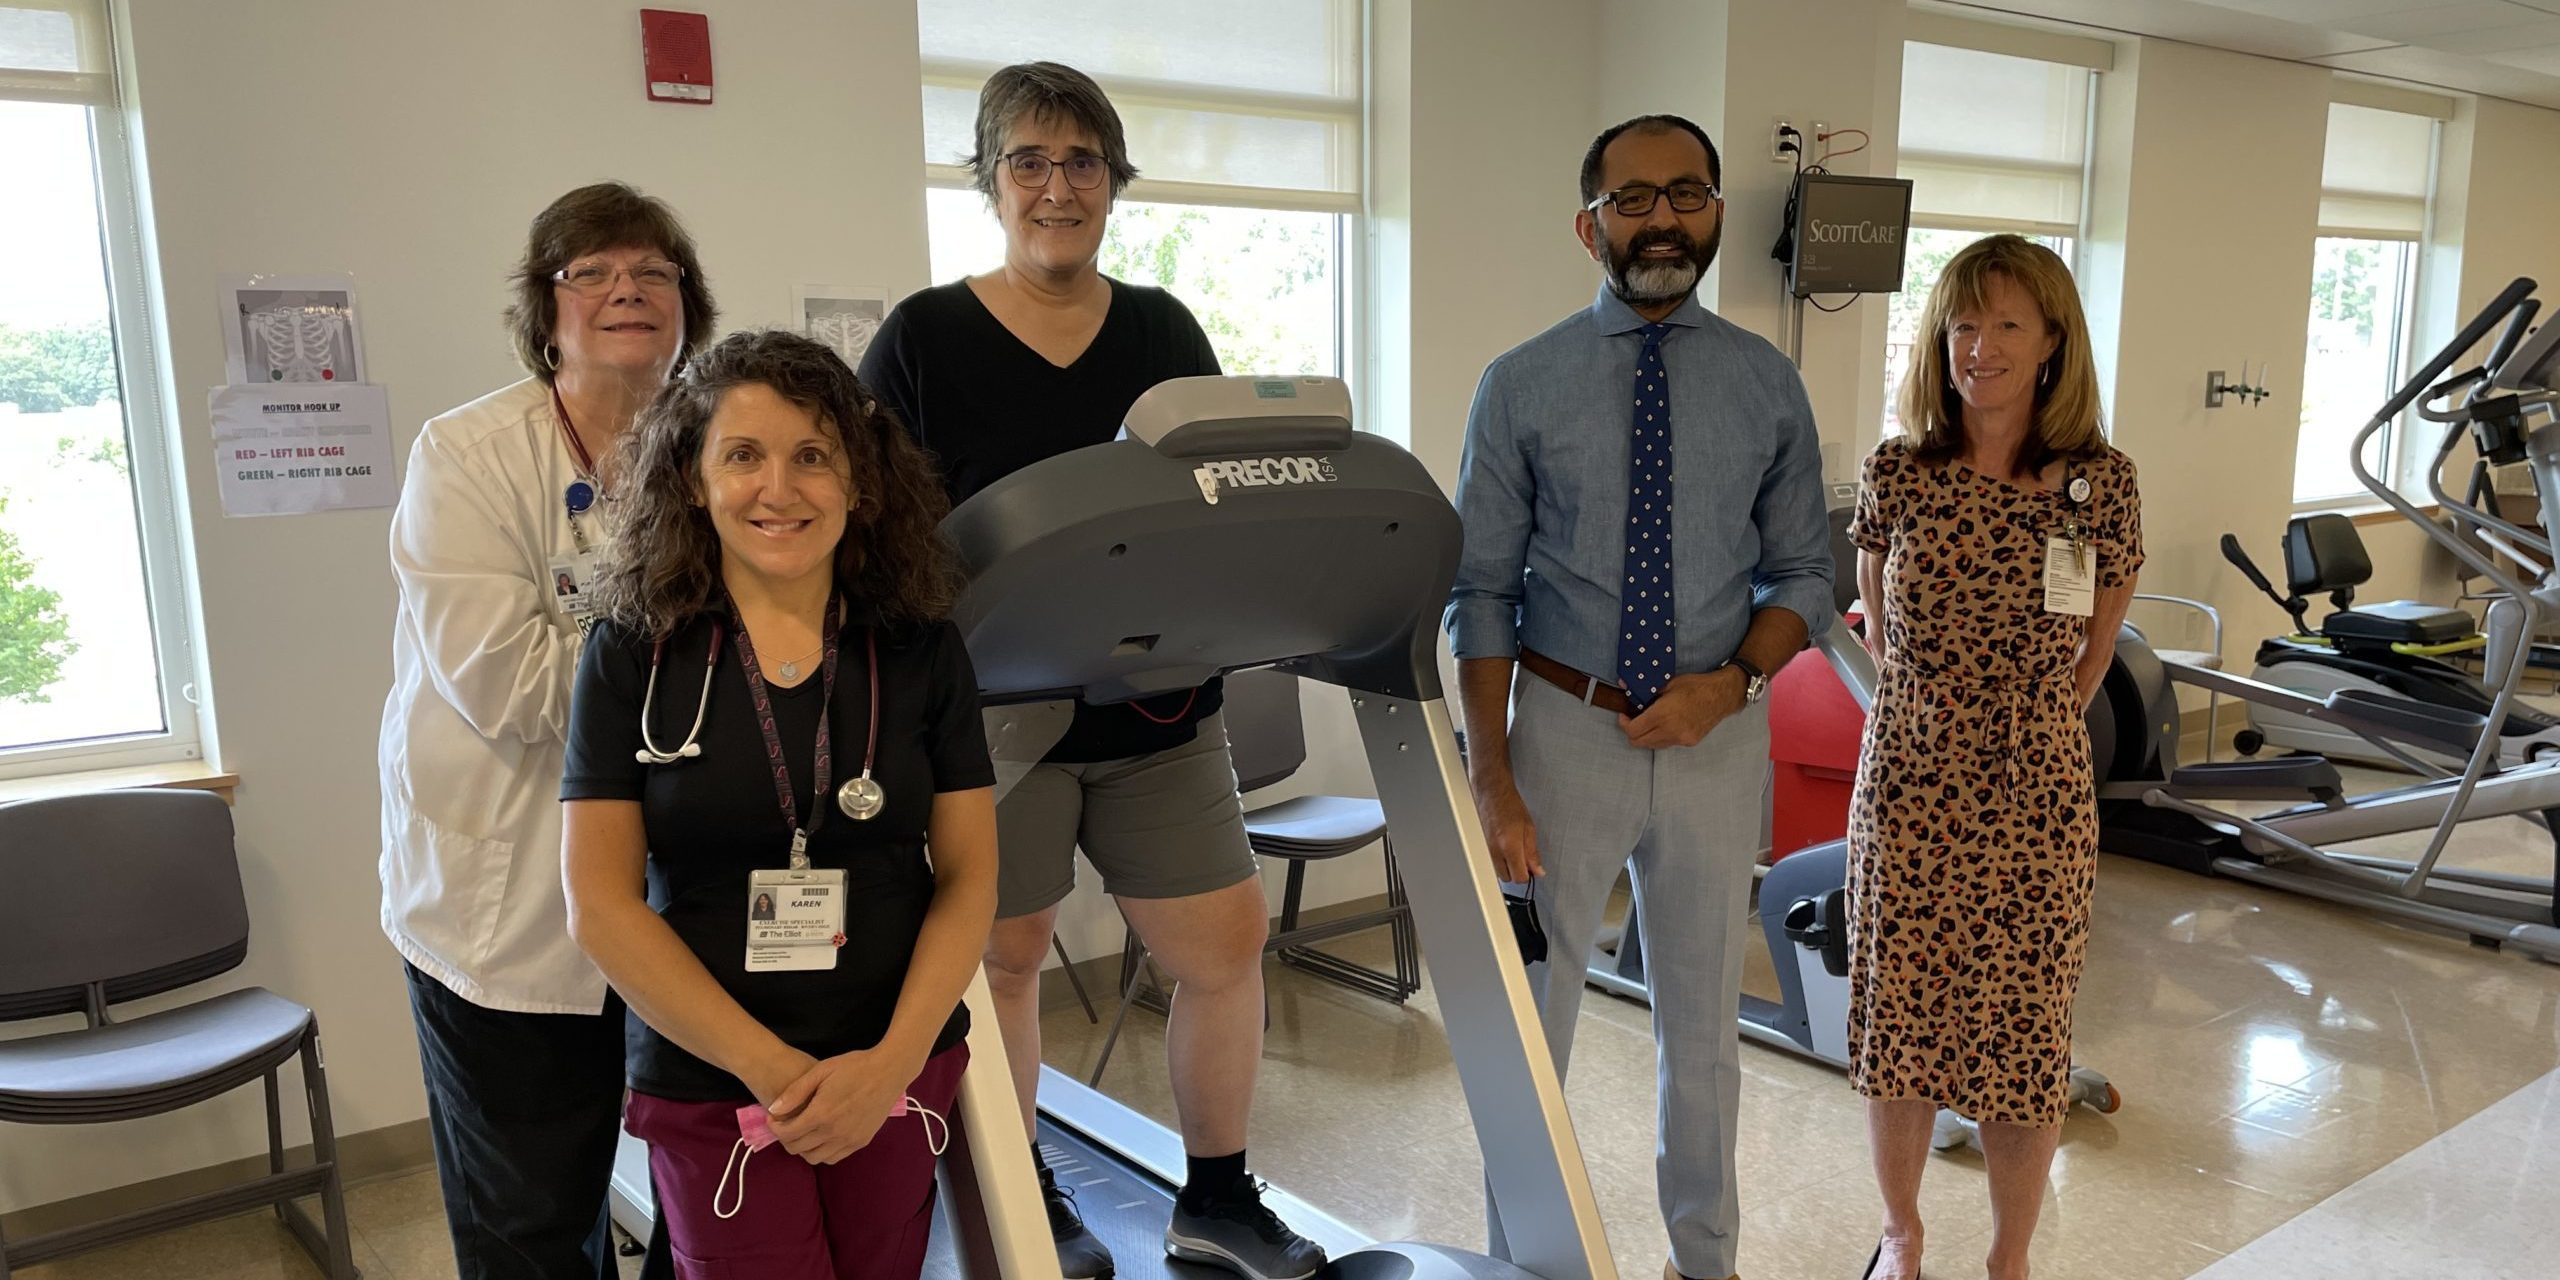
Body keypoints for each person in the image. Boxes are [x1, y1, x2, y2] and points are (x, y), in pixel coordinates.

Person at [858, 60, 1326, 1280]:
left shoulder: (1165, 329)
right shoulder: (922, 336)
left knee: (1223, 948)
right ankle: (1033, 1201)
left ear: (1113, 183)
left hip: (1156, 716)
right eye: (1028, 160)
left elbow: (1211, 498)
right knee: (1005, 963)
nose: (1056, 187)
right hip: (990, 725)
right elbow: (878, 532)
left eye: (1081, 163)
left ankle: (1216, 1197)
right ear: (988, 179)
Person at [1446, 114, 1833, 1280]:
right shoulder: (1519, 384)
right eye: (1632, 200)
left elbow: (1806, 571)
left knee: (1703, 1024)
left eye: (1686, 193)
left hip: (1719, 739)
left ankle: (1703, 1259)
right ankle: (1519, 1259)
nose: (1661, 218)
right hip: (1565, 733)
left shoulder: (1768, 383)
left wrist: (1731, 684)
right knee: (1535, 1017)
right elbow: (1480, 588)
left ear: (1717, 210)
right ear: (1589, 225)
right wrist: (1492, 774)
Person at [562, 329, 999, 1280]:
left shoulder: (919, 644)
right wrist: (776, 1074)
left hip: (894, 1067)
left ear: (861, 480)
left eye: (813, 456)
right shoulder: (634, 652)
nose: (779, 489)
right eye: (743, 456)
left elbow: (970, 876)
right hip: (716, 1083)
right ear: (691, 477)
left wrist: (888, 1064)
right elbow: (600, 905)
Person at [379, 180, 714, 1278]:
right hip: (507, 908)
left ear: (686, 303)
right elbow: (512, 687)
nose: (628, 289)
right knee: (533, 1218)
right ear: (545, 308)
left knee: (707, 1186)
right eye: (594, 271)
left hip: (686, 899)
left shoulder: (724, 445)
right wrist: (712, 663)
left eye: (655, 272)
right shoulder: (465, 455)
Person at [1844, 234, 2142, 1280]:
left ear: (2053, 339)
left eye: (2007, 323)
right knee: (1902, 1013)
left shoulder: (2098, 484)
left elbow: (2094, 651)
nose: (1981, 346)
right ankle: (1900, 1232)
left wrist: (2014, 730)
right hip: (1909, 773)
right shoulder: (1897, 468)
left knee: (2024, 1028)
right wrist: (1939, 712)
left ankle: (2009, 1254)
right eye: (1963, 325)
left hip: (2036, 785)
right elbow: (1878, 627)